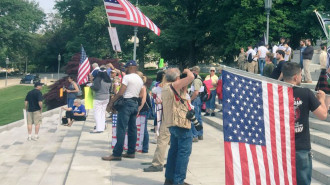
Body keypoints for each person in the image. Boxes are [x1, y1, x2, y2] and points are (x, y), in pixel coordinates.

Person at [282, 62, 327, 185]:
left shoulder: (276, 93)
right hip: (300, 148)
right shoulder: (305, 93)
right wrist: (322, 100)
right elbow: (323, 115)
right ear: (296, 77)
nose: (301, 78)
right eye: (301, 75)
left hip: (281, 148)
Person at [102, 60, 143, 161]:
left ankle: (117, 154)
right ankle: (131, 152)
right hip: (135, 103)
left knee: (121, 129)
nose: (125, 69)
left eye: (126, 67)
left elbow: (121, 92)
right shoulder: (139, 78)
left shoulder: (127, 77)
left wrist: (111, 102)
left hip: (126, 104)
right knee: (132, 129)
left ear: (130, 67)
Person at [162, 68, 195, 185]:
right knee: (184, 153)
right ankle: (179, 181)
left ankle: (169, 179)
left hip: (172, 123)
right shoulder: (173, 86)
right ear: (177, 78)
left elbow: (182, 97)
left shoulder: (166, 87)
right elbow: (191, 77)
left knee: (174, 151)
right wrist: (187, 71)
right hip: (181, 124)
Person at [143, 74, 169, 173]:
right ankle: (171, 161)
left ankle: (157, 163)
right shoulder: (177, 87)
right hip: (176, 117)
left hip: (165, 116)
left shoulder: (161, 88)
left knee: (162, 141)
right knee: (174, 142)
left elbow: (154, 92)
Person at [90, 66, 112, 133]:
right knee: (102, 113)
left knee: (97, 113)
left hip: (98, 98)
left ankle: (98, 128)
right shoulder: (109, 80)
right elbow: (110, 89)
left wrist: (91, 86)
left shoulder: (98, 79)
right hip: (106, 98)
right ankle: (102, 127)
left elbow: (96, 88)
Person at [136, 72, 151, 153]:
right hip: (140, 109)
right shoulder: (138, 86)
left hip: (143, 109)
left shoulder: (142, 87)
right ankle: (139, 146)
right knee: (138, 128)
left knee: (143, 129)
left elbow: (143, 100)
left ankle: (145, 148)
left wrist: (138, 110)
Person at [189, 66, 204, 142]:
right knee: (199, 118)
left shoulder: (196, 81)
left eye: (192, 71)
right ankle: (200, 134)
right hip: (198, 99)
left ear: (195, 71)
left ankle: (195, 136)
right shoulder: (199, 78)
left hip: (195, 99)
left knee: (195, 118)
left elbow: (196, 92)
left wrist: (190, 99)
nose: (191, 72)